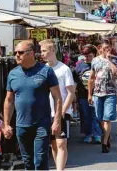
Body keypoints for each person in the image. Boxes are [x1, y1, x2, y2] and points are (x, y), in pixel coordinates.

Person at [3, 41, 63, 170]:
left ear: (31, 54)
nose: (16, 55)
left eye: (20, 53)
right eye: (15, 53)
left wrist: (57, 120)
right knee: (27, 161)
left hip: (41, 124)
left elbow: (57, 97)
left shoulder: (46, 71)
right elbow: (9, 100)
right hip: (21, 125)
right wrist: (6, 124)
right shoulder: (13, 74)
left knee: (40, 159)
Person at [40, 39, 76, 171]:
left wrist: (62, 111)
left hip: (61, 111)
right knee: (54, 145)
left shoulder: (64, 69)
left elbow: (71, 92)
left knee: (61, 143)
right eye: (41, 51)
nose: (42, 54)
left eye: (44, 51)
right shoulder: (42, 70)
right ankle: (59, 167)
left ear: (53, 51)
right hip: (46, 112)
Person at [88, 40, 117, 153]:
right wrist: (89, 93)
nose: (107, 49)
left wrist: (109, 60)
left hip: (110, 92)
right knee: (99, 118)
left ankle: (105, 142)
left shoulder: (115, 59)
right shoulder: (95, 60)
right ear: (100, 48)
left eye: (109, 47)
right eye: (105, 47)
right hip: (97, 93)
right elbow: (92, 78)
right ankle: (106, 135)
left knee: (107, 118)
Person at [76, 44, 102, 144]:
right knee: (85, 115)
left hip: (97, 94)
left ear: (94, 55)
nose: (87, 58)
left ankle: (97, 134)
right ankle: (88, 134)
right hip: (83, 95)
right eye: (85, 56)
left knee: (95, 115)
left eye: (89, 56)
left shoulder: (98, 63)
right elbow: (76, 79)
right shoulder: (79, 64)